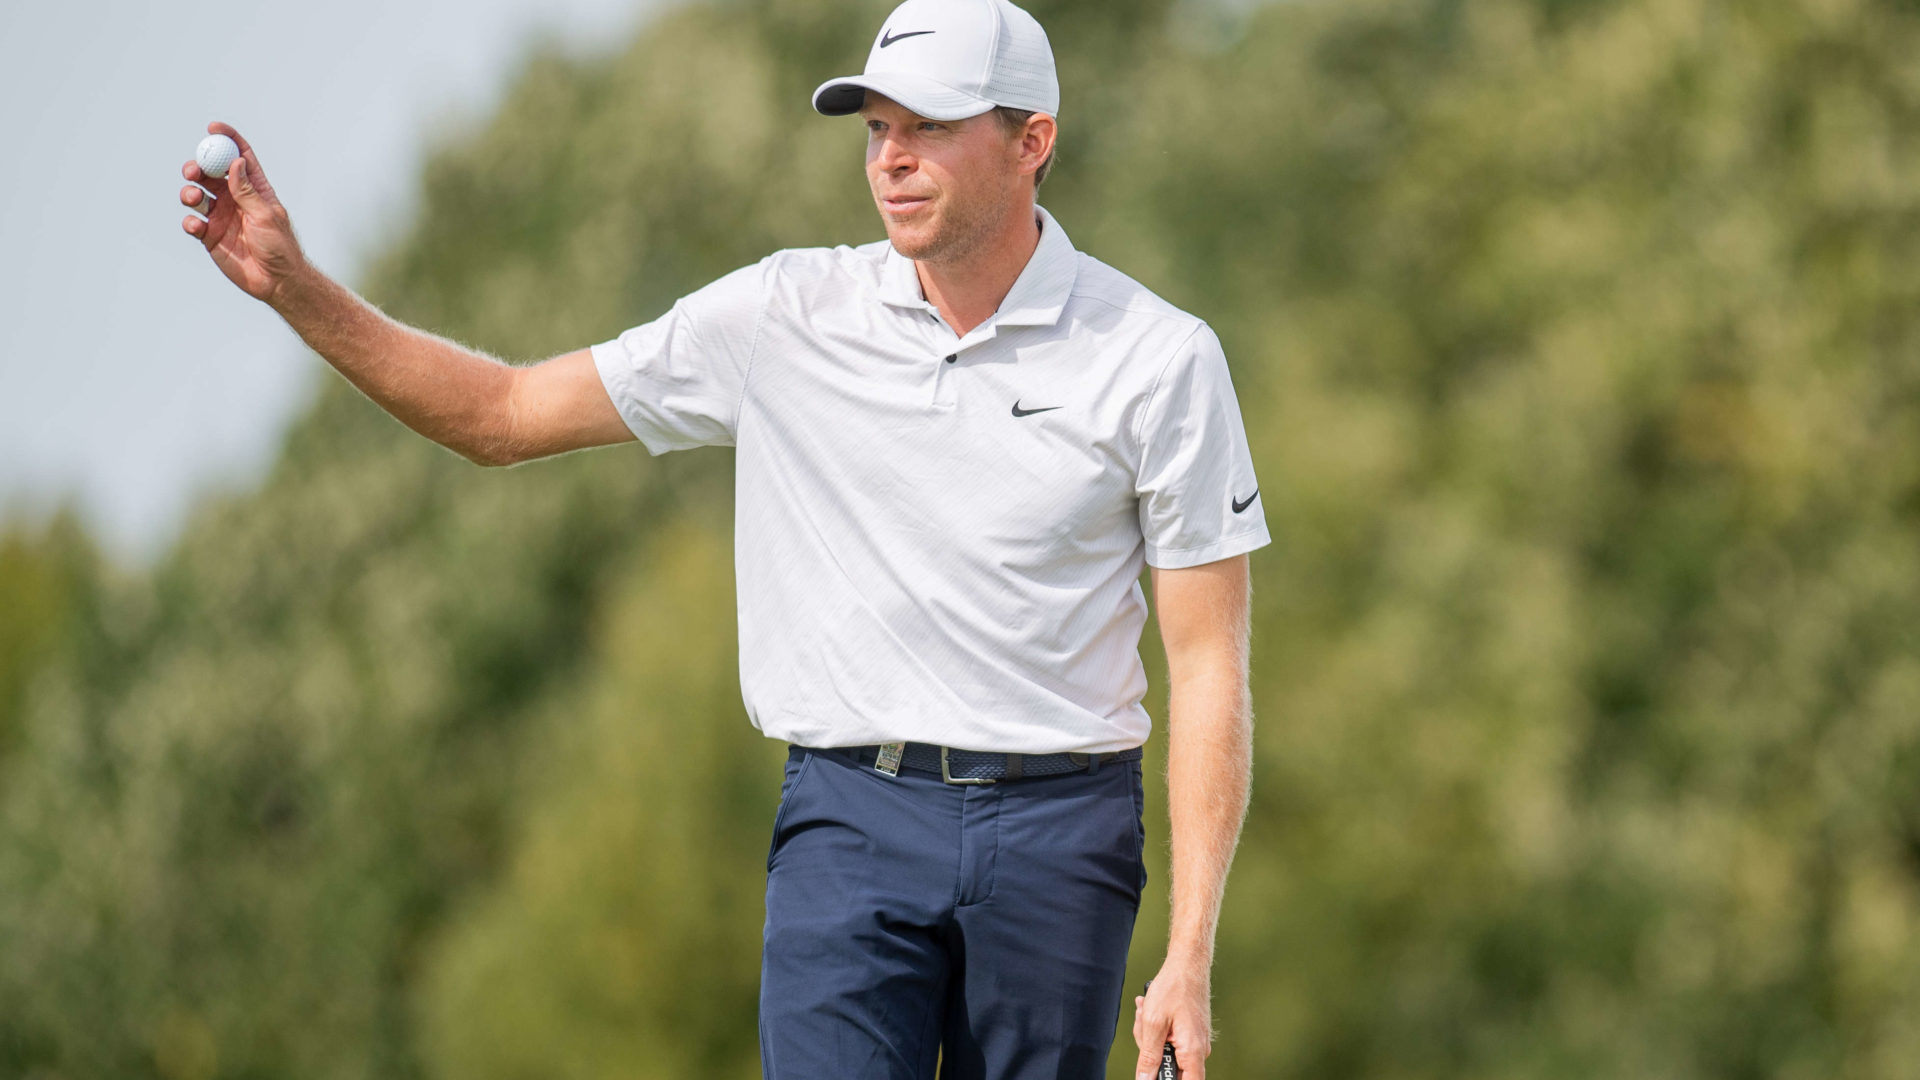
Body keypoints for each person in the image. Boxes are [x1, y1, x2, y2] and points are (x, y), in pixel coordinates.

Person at [178, 1, 1266, 1076]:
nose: (891, 158)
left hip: (1060, 836)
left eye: (929, 126)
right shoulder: (784, 315)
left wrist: (1189, 953)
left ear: (1033, 142)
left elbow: (1207, 660)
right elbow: (502, 415)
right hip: (852, 818)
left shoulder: (1159, 358)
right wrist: (296, 289)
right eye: (877, 128)